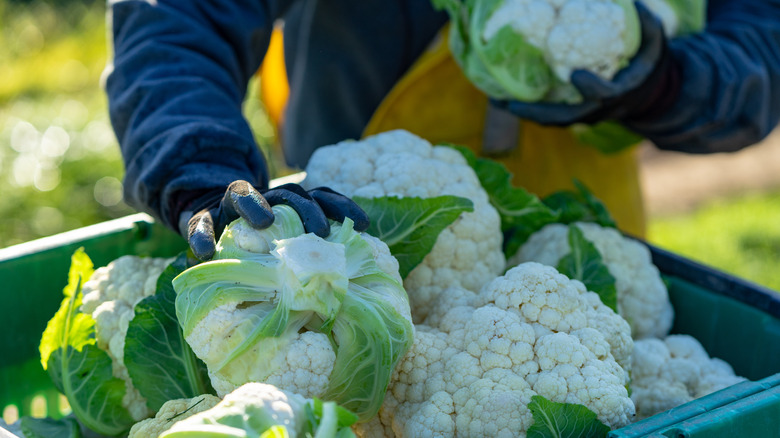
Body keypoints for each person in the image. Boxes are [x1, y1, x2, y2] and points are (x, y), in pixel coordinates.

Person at [105, 0, 780, 259]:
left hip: (588, 244)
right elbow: (177, 18)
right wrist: (195, 165)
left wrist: (669, 82)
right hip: (351, 243)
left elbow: (760, 44)